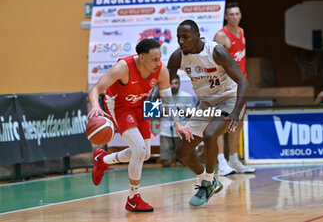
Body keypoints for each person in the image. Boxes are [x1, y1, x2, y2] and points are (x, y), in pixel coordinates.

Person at [87, 38, 192, 212]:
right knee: (139, 150)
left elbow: (167, 101)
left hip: (140, 105)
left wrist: (178, 124)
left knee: (145, 153)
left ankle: (103, 160)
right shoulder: (123, 67)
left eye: (159, 58)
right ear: (141, 58)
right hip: (119, 106)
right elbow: (95, 89)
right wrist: (96, 107)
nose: (158, 63)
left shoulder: (161, 71)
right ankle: (133, 198)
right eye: (154, 59)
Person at [167, 19, 249, 207]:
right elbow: (163, 84)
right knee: (182, 151)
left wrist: (236, 111)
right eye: (178, 37)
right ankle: (209, 180)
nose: (180, 41)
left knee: (210, 134)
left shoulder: (216, 51)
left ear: (197, 36)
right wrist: (148, 102)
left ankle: (207, 183)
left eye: (185, 37)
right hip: (206, 104)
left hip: (229, 99)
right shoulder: (177, 56)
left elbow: (243, 81)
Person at [213, 2, 255, 175]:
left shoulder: (242, 32)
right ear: (226, 17)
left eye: (237, 14)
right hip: (225, 86)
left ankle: (234, 160)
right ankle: (221, 162)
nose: (234, 17)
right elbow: (214, 63)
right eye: (231, 14)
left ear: (240, 15)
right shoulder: (221, 36)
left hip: (240, 84)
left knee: (237, 123)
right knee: (221, 124)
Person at [160, 74, 197, 167]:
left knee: (185, 161)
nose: (173, 86)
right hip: (166, 131)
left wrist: (181, 112)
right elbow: (154, 113)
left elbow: (193, 114)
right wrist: (168, 111)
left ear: (179, 83)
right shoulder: (162, 96)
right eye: (171, 83)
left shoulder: (187, 96)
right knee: (165, 162)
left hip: (183, 131)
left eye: (176, 83)